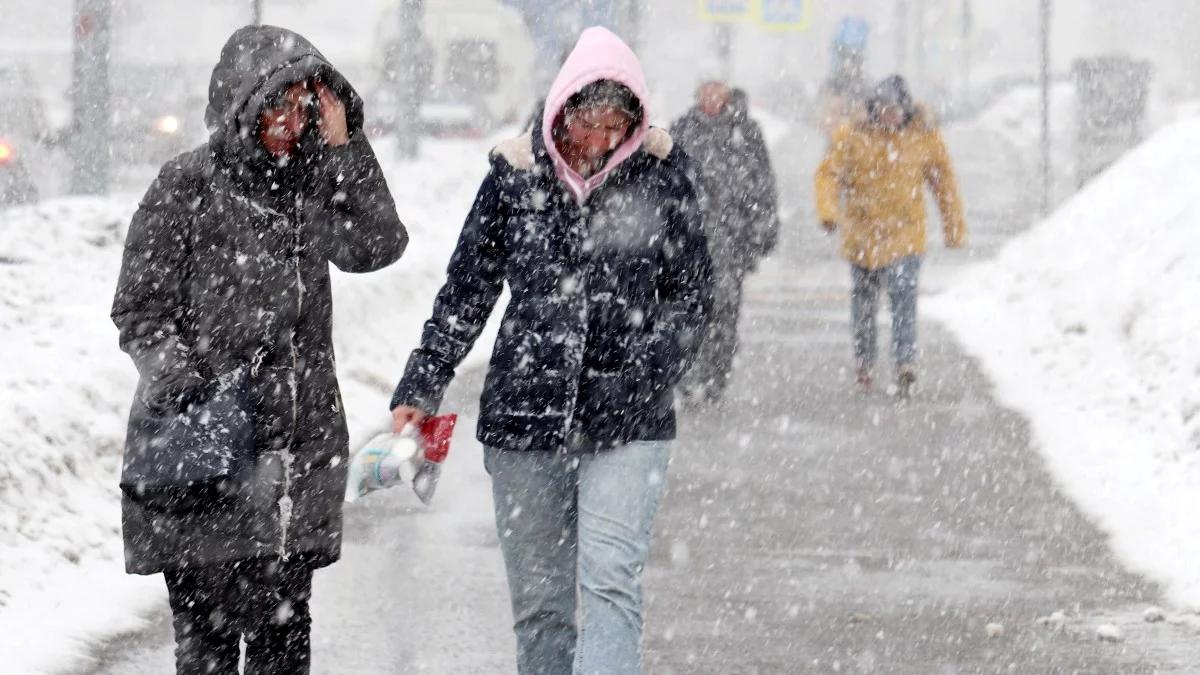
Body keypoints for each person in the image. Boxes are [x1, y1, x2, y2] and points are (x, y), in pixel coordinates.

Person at [389, 26, 711, 675]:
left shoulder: (663, 178)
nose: (597, 142)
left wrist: (641, 376)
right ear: (560, 110)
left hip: (632, 422)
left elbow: (692, 297)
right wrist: (421, 385)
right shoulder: (515, 177)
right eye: (585, 124)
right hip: (523, 422)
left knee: (611, 588)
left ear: (633, 121)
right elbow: (466, 291)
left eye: (614, 126)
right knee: (541, 607)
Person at [111, 25, 407, 674]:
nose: (288, 123)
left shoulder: (312, 183)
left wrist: (346, 145)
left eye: (304, 108)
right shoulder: (185, 185)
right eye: (275, 105)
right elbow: (140, 310)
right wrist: (193, 393)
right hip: (206, 464)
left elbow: (378, 243)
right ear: (240, 104)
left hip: (294, 460)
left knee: (282, 643)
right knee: (209, 649)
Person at [814, 74, 966, 397]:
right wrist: (828, 212)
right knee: (864, 304)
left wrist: (953, 227)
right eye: (883, 109)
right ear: (873, 109)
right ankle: (865, 361)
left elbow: (944, 183)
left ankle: (904, 363)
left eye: (895, 109)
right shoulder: (852, 136)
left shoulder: (923, 136)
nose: (889, 116)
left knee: (904, 294)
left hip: (905, 234)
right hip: (863, 237)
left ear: (906, 109)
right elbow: (828, 174)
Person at [671, 80, 779, 403]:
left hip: (732, 240)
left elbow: (763, 183)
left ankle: (717, 372)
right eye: (704, 92)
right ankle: (690, 374)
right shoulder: (683, 130)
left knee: (725, 309)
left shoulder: (746, 133)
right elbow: (664, 180)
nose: (710, 99)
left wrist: (763, 229)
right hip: (690, 238)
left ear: (728, 97)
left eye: (717, 93)